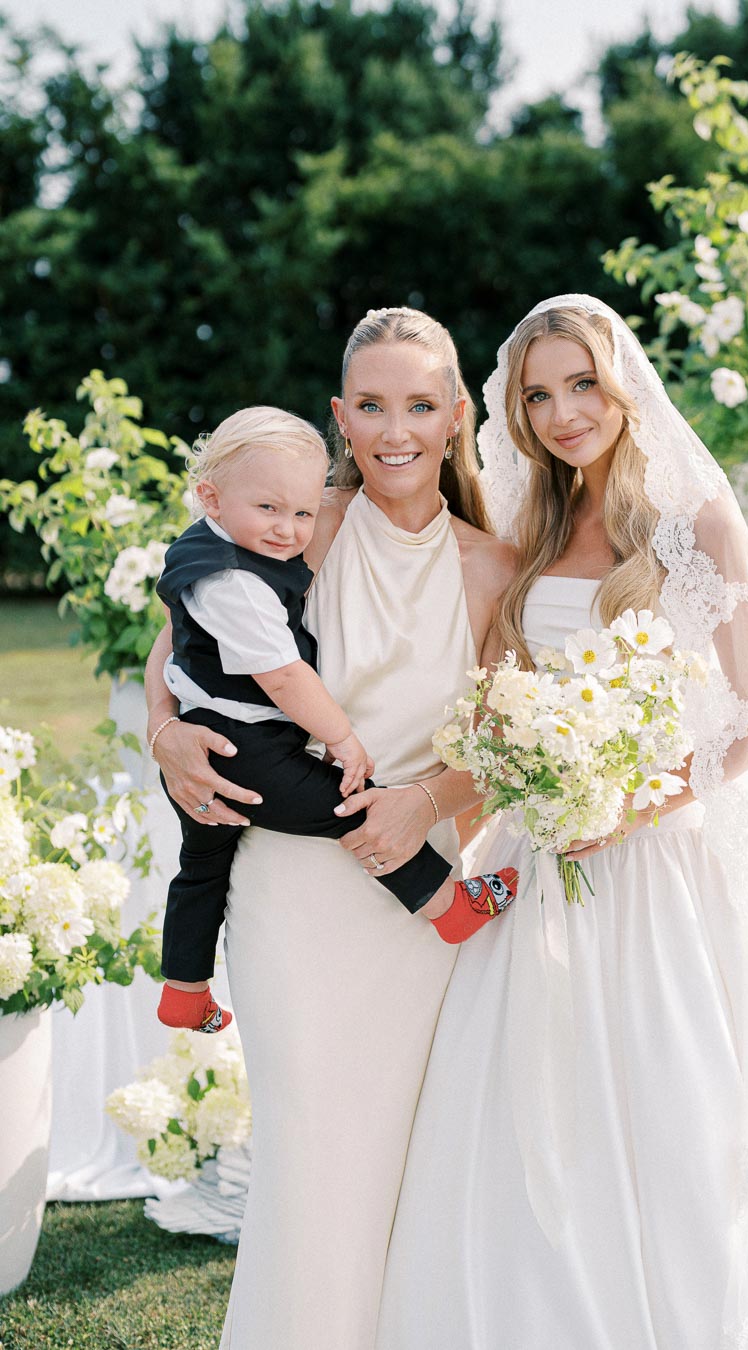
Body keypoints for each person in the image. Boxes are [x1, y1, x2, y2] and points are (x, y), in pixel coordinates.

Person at [376, 296, 748, 1350]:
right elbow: (500, 690)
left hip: (665, 858)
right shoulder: (527, 530)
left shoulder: (695, 522)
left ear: (622, 386)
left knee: (683, 1111)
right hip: (542, 855)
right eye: (539, 394)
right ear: (517, 412)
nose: (566, 412)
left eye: (582, 385)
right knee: (528, 1117)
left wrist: (622, 805)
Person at [145, 308, 516, 1348]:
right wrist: (165, 734)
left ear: (454, 418)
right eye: (371, 406)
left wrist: (425, 806)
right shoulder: (304, 523)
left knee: (405, 1158)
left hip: (420, 893)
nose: (394, 429)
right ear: (342, 418)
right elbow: (180, 648)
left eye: (418, 405)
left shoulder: (493, 567)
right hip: (292, 894)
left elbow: (505, 741)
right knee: (311, 1153)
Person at [153, 406, 517, 1034]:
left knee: (201, 867)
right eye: (269, 510)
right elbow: (284, 675)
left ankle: (184, 991)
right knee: (351, 806)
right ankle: (445, 904)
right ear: (210, 496)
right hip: (244, 747)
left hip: (214, 732)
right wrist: (341, 737)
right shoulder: (233, 582)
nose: (288, 531)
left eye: (301, 513)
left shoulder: (215, 545)